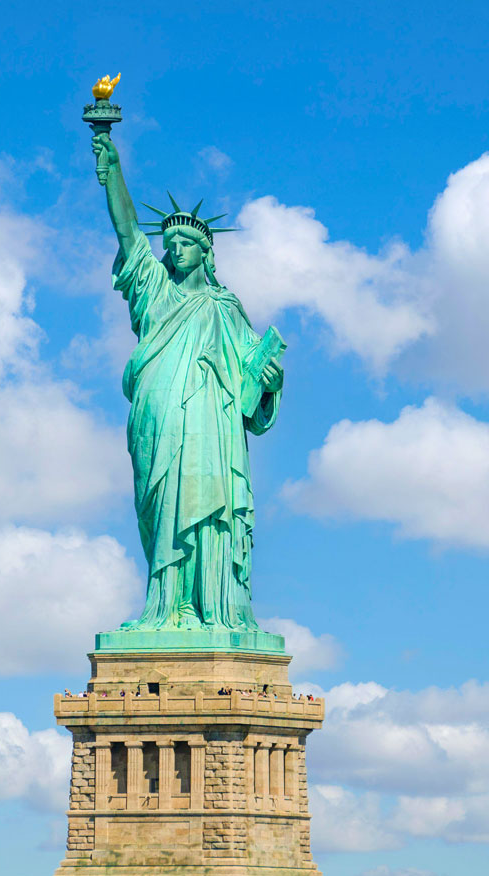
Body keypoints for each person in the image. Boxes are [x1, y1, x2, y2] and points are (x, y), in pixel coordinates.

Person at [91, 130, 284, 632]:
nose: (174, 250)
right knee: (160, 508)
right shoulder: (152, 289)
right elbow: (128, 230)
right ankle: (166, 607)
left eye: (186, 244)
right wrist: (111, 163)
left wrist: (267, 377)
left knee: (209, 512)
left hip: (210, 425)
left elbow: (251, 385)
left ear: (206, 252)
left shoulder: (224, 308)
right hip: (157, 414)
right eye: (169, 243)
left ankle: (215, 610)